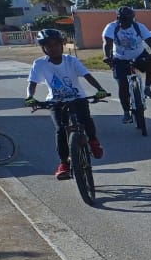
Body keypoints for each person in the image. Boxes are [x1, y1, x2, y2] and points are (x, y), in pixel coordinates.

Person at [24, 28, 108, 179]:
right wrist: (30, 97)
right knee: (60, 130)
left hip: (77, 98)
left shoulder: (71, 60)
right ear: (43, 48)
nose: (53, 48)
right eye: (48, 45)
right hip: (55, 101)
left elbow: (87, 75)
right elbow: (32, 83)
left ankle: (94, 142)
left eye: (56, 44)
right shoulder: (40, 64)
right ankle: (64, 163)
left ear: (61, 45)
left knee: (86, 120)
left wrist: (100, 89)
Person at [101, 5, 151, 124]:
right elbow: (107, 43)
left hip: (139, 55)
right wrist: (107, 56)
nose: (126, 22)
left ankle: (147, 88)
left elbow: (150, 40)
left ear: (133, 19)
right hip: (120, 58)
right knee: (122, 85)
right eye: (123, 19)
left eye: (129, 20)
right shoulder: (112, 27)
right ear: (118, 18)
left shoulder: (139, 27)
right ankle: (126, 113)